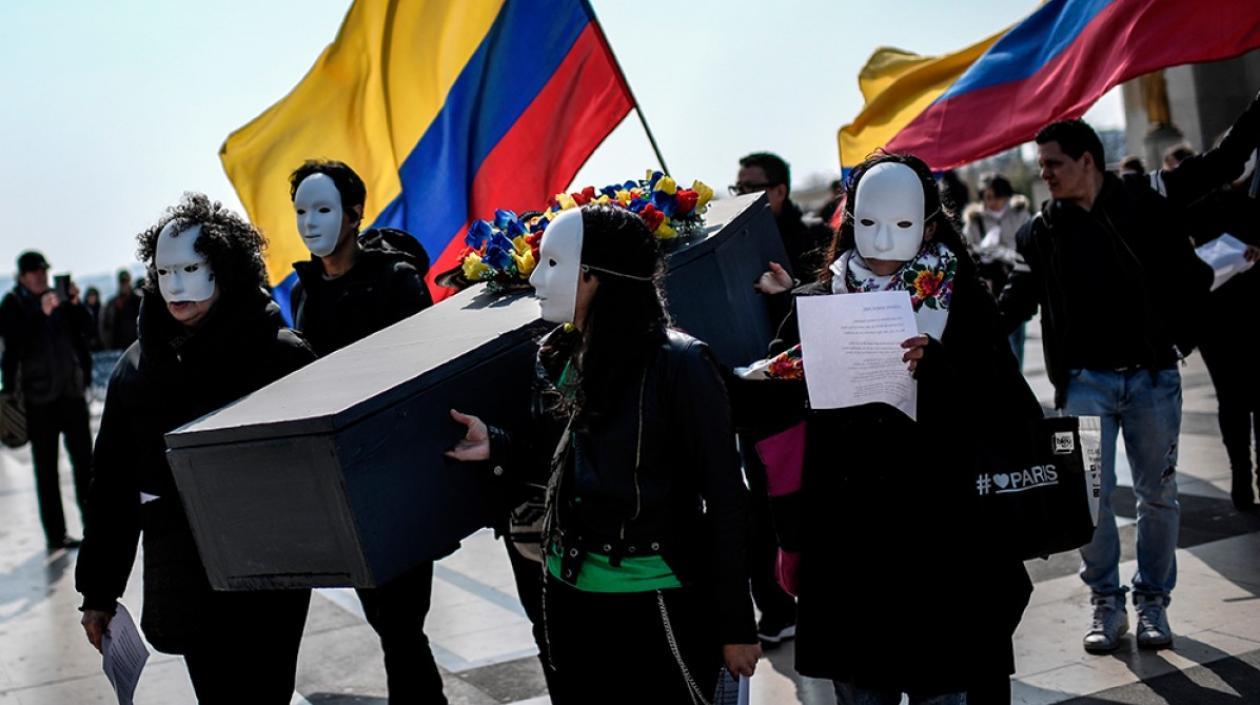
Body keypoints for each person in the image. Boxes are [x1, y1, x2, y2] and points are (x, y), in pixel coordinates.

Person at [746, 153, 1039, 705]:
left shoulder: (963, 302)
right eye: (869, 223)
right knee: (863, 691)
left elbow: (1006, 407)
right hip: (851, 555)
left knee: (946, 690)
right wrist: (788, 321)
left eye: (901, 224)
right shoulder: (817, 298)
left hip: (944, 550)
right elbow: (779, 399)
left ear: (929, 225)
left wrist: (943, 371)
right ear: (850, 220)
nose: (882, 243)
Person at [447, 205, 761, 704]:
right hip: (570, 598)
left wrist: (736, 624)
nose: (535, 277)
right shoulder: (558, 354)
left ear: (596, 277)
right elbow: (568, 459)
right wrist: (499, 445)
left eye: (553, 263)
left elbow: (726, 498)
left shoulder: (681, 362)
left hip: (655, 602)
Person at [997, 92, 1260, 654]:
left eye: (1053, 164)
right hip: (1085, 386)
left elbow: (1223, 162)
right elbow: (1011, 306)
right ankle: (1106, 603)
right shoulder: (1040, 233)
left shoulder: (1148, 196)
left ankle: (1153, 604)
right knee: (1089, 501)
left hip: (1152, 380)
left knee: (1157, 497)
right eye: (1040, 165)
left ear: (1087, 160)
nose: (1043, 175)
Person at [76, 194, 315, 704]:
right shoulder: (136, 371)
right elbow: (111, 485)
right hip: (184, 570)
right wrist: (98, 592)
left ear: (225, 267)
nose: (177, 286)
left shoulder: (280, 356)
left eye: (191, 268)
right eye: (165, 272)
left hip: (269, 576)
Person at [287, 159, 445, 703]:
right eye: (301, 211)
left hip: (396, 476)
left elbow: (422, 374)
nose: (309, 223)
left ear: (354, 214)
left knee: (401, 620)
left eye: (323, 209)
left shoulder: (395, 281)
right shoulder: (305, 293)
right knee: (386, 618)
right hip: (344, 484)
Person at [1163, 144, 1260, 510]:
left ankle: (1250, 477)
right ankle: (1240, 476)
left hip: (1247, 311)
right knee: (1233, 399)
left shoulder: (1252, 202)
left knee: (1244, 399)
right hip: (1217, 318)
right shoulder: (1197, 206)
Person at [0, 251, 94, 551]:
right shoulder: (13, 304)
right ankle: (57, 535)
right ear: (23, 276)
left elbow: (87, 331)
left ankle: (95, 526)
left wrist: (76, 305)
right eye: (35, 272)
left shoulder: (60, 298)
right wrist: (39, 313)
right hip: (39, 400)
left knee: (85, 464)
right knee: (47, 470)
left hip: (71, 394)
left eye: (44, 272)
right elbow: (13, 345)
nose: (41, 277)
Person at [963, 173, 1033, 366]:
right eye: (987, 197)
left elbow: (1030, 245)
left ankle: (1017, 373)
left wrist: (1007, 253)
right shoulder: (975, 219)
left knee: (1018, 334)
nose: (992, 202)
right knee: (1004, 336)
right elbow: (967, 250)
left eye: (996, 197)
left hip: (1019, 279)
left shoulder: (1019, 213)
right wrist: (984, 251)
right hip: (992, 285)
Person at [735, 152, 831, 287]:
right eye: (738, 189)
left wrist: (789, 289)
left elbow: (826, 290)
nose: (741, 195)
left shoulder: (815, 235)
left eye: (750, 188)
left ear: (780, 191)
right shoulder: (738, 242)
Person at [101, 268, 142, 350]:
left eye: (126, 281)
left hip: (138, 344)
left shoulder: (139, 300)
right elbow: (105, 326)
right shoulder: (112, 303)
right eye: (122, 282)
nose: (124, 284)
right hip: (118, 347)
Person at [83, 286, 104, 351]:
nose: (92, 298)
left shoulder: (101, 309)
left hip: (101, 340)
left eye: (93, 296)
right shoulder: (83, 310)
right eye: (90, 296)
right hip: (87, 342)